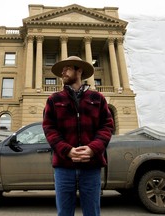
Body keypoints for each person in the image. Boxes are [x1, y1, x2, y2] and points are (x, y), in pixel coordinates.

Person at [42, 56, 114, 216]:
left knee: (92, 213)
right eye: (62, 70)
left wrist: (92, 149)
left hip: (91, 166)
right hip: (63, 167)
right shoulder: (54, 99)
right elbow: (49, 128)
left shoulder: (98, 98)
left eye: (67, 68)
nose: (62, 72)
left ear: (79, 70)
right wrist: (66, 150)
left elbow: (107, 126)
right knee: (64, 213)